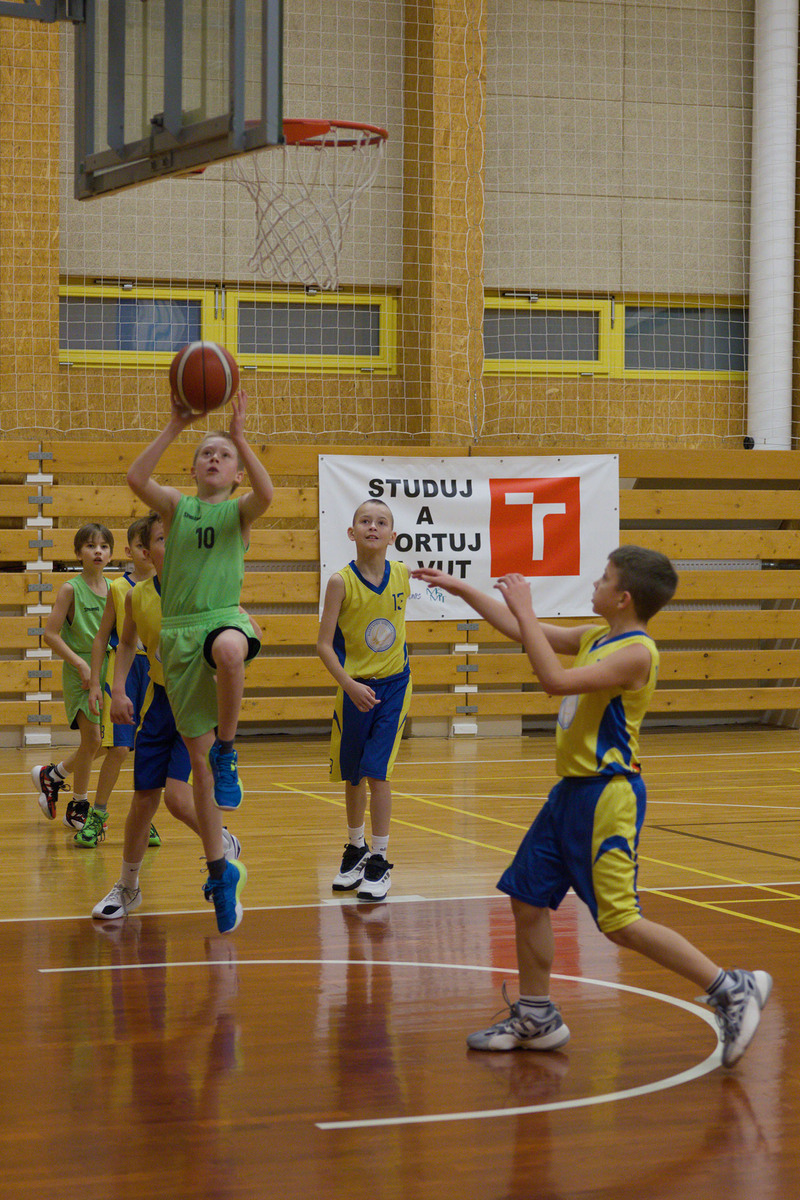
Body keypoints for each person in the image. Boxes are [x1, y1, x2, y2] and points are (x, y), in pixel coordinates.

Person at [413, 547, 772, 1068]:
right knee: (527, 899)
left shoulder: (637, 653)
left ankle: (730, 987)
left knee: (619, 922)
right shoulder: (594, 637)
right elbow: (521, 631)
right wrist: (464, 589)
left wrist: (526, 608)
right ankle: (537, 1016)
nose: (595, 584)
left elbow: (553, 680)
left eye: (604, 579)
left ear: (623, 598)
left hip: (608, 797)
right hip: (570, 794)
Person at [125, 391, 273, 934]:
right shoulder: (176, 508)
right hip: (179, 636)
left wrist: (241, 438)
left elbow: (268, 494)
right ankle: (220, 871)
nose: (215, 457)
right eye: (206, 452)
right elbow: (137, 478)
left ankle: (231, 749)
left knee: (231, 648)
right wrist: (173, 425)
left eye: (224, 455)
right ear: (192, 469)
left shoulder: (239, 512)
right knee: (198, 767)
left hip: (223, 617)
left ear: (236, 473)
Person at [92, 512, 243, 921]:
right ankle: (128, 886)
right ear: (146, 551)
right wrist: (118, 689)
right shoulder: (137, 596)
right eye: (163, 539)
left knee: (178, 800)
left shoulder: (206, 591)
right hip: (160, 703)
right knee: (143, 801)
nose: (174, 545)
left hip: (198, 703)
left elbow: (238, 633)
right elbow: (126, 644)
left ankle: (221, 854)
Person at [317, 499, 412, 902]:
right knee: (354, 774)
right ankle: (356, 848)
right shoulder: (341, 582)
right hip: (354, 689)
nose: (373, 526)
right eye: (365, 520)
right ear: (352, 532)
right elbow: (323, 645)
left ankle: (380, 858)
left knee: (378, 773)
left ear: (392, 536)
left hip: (393, 687)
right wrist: (349, 685)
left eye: (381, 522)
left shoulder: (402, 574)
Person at [79, 515, 160, 849]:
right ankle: (97, 814)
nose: (146, 552)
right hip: (124, 672)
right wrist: (95, 684)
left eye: (151, 545)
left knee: (149, 750)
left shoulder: (170, 586)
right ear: (129, 550)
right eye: (140, 546)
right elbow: (102, 638)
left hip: (156, 673)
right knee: (120, 748)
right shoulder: (119, 588)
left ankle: (144, 818)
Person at [32, 523, 114, 827]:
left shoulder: (115, 589)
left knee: (108, 743)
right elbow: (50, 634)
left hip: (108, 671)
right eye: (91, 546)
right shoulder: (70, 589)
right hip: (81, 672)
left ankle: (53, 775)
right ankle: (78, 806)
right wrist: (80, 664)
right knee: (92, 739)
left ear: (111, 554)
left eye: (104, 546)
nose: (98, 551)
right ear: (78, 552)